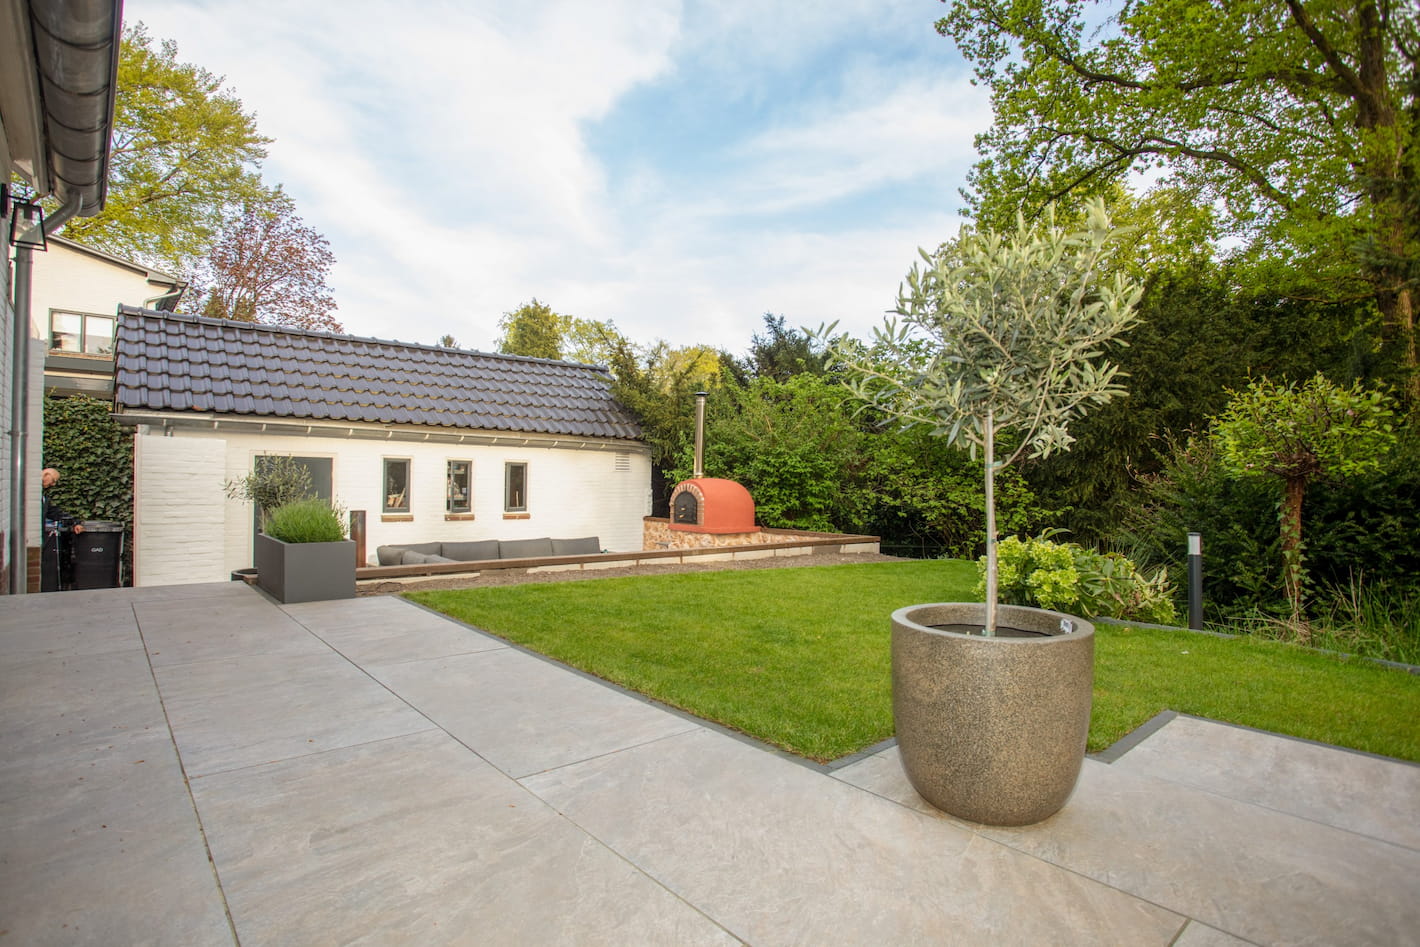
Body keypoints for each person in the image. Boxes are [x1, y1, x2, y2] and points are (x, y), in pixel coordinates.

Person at [40, 468, 82, 592]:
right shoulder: (32, 493)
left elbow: (54, 513)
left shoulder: (42, 496)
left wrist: (74, 522)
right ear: (46, 475)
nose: (53, 484)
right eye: (53, 481)